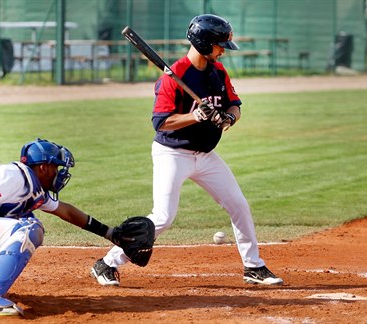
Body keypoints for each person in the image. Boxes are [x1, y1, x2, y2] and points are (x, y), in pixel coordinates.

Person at [90, 14, 284, 287]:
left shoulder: (218, 72)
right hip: (173, 154)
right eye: (219, 47)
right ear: (205, 44)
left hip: (205, 156)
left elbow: (234, 105)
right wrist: (196, 117)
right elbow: (160, 122)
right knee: (163, 217)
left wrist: (228, 118)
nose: (222, 53)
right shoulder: (175, 76)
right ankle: (107, 263)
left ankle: (253, 266)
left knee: (238, 205)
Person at [0, 139, 128, 316]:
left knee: (17, 222)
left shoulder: (33, 187)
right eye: (56, 168)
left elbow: (65, 211)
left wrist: (110, 233)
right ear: (43, 167)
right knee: (28, 227)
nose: (59, 173)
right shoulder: (14, 175)